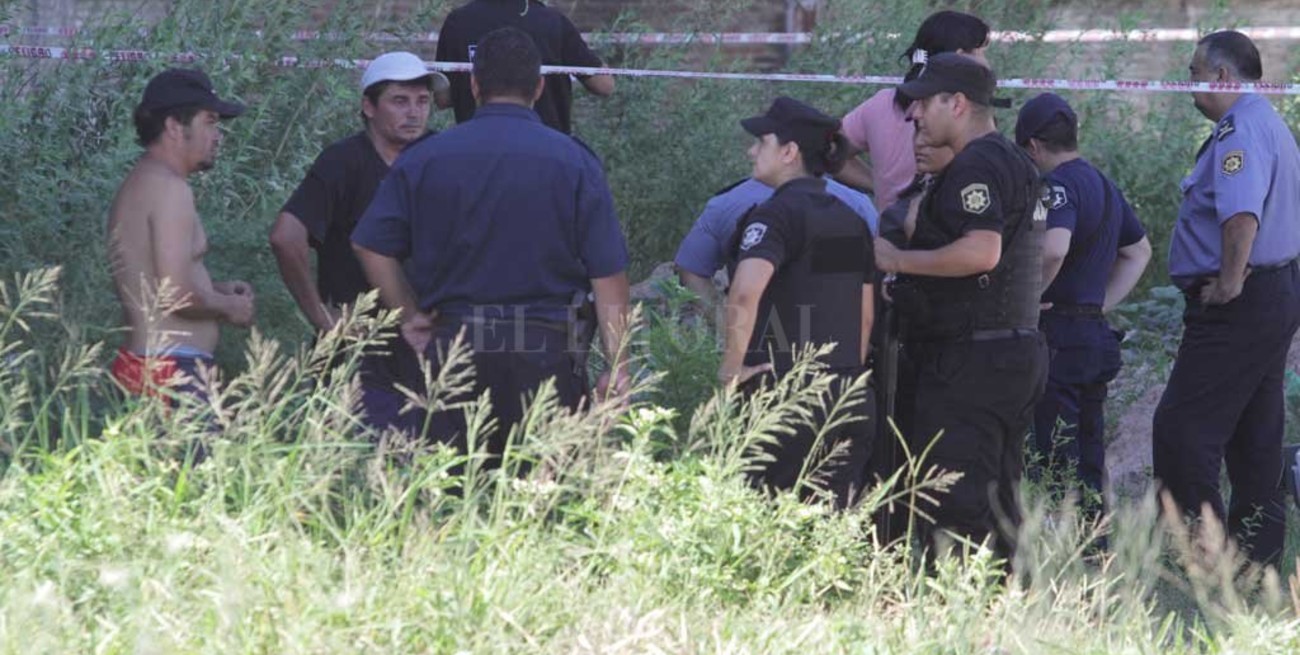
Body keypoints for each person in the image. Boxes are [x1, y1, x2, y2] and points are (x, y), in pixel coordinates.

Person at [352, 27, 631, 468]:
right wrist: (618, 368)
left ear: (474, 85)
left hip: (453, 347)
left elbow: (370, 244)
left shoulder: (425, 158)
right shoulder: (574, 160)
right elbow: (608, 276)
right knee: (539, 489)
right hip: (544, 349)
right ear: (539, 88)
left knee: (450, 486)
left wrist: (410, 317)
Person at [873, 54, 1048, 567]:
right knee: (999, 497)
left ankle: (957, 601)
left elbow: (981, 251)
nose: (914, 115)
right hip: (1010, 349)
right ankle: (1000, 600)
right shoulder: (1014, 160)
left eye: (924, 103)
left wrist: (898, 260)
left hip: (973, 359)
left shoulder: (978, 163)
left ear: (957, 104)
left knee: (955, 496)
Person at [1152, 30, 1300, 567]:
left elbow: (1241, 215)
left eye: (1193, 73)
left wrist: (1231, 281)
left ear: (1220, 76)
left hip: (1239, 300)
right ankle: (1256, 565)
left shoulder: (1240, 131)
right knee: (1253, 434)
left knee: (1181, 431)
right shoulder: (1267, 123)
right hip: (1272, 292)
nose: (1187, 83)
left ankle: (1201, 559)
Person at [269, 51, 448, 433]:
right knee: (356, 456)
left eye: (422, 101)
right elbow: (286, 236)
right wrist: (321, 317)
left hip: (433, 344)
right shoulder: (343, 162)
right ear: (369, 106)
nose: (414, 112)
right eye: (399, 101)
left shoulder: (443, 157)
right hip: (359, 349)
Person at [719, 96, 876, 509]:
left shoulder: (776, 216)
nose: (752, 151)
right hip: (846, 393)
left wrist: (731, 370)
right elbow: (863, 317)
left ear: (789, 152)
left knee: (766, 524)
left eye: (762, 142)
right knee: (829, 527)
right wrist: (845, 376)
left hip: (785, 395)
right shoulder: (849, 220)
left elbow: (745, 292)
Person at [1015, 93, 1152, 513]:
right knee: (1089, 457)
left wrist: (1026, 300)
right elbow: (1139, 251)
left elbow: (1055, 249)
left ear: (1033, 146)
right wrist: (1098, 304)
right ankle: (1095, 543)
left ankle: (1059, 540)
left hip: (1059, 339)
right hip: (1092, 336)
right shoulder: (1104, 185)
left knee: (1054, 455)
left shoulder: (1056, 186)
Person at [107, 68, 253, 406]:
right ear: (174, 125)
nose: (217, 136)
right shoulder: (170, 190)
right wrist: (231, 306)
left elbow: (153, 281)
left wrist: (215, 289)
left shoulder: (142, 182)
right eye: (210, 122)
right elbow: (176, 296)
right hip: (170, 371)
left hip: (148, 364)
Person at [836, 10, 991, 211]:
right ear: (961, 57)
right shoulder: (960, 112)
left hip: (889, 228)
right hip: (950, 229)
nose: (987, 64)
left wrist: (881, 186)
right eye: (982, 53)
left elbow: (830, 151)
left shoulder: (880, 103)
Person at [674, 175, 877, 312]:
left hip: (757, 337)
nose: (752, 151)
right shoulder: (855, 203)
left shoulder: (727, 202)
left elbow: (691, 269)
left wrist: (723, 323)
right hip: (833, 339)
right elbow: (872, 275)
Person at [434, 0, 615, 134]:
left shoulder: (458, 22)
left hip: (477, 149)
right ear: (538, 86)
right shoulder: (553, 22)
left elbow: (442, 98)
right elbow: (605, 84)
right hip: (547, 150)